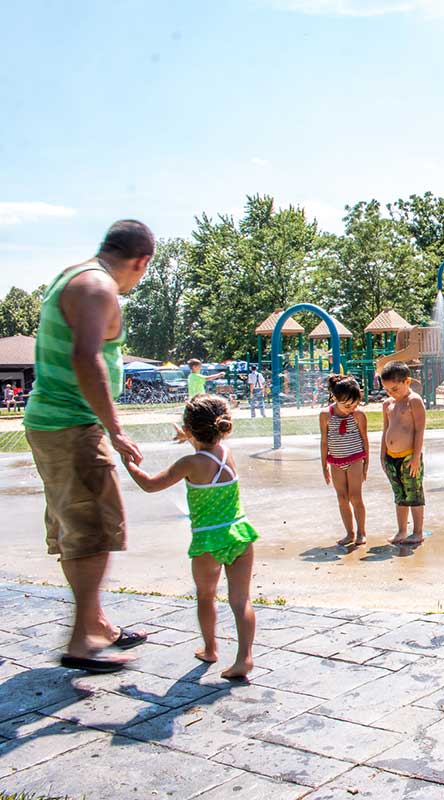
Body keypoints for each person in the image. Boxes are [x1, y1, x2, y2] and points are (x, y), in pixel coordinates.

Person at [23, 220, 155, 673]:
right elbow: (87, 355)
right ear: (142, 262)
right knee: (95, 528)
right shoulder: (99, 287)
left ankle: (97, 623)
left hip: (52, 423)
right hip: (73, 425)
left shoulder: (72, 274)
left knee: (74, 528)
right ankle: (82, 642)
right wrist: (115, 429)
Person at [123, 394, 257, 680]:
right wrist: (192, 435)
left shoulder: (190, 463)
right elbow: (208, 441)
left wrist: (129, 464)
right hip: (239, 533)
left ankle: (210, 650)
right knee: (240, 600)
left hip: (208, 541)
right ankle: (245, 658)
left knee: (206, 596)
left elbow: (149, 485)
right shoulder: (226, 452)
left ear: (191, 429)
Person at [380, 362, 427, 546]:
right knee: (399, 495)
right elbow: (385, 431)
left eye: (395, 389)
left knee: (413, 494)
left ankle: (418, 532)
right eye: (387, 390)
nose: (391, 393)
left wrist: (416, 457)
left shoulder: (413, 401)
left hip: (409, 457)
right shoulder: (388, 404)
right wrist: (383, 455)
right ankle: (401, 530)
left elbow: (420, 430)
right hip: (392, 457)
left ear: (407, 381)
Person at [321, 375, 369, 548]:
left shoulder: (358, 415)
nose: (352, 408)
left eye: (355, 404)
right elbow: (324, 441)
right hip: (335, 461)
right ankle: (349, 533)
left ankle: (361, 532)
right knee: (342, 498)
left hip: (355, 458)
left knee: (355, 497)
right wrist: (324, 465)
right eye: (347, 405)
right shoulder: (326, 415)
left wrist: (366, 465)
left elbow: (365, 440)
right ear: (335, 398)